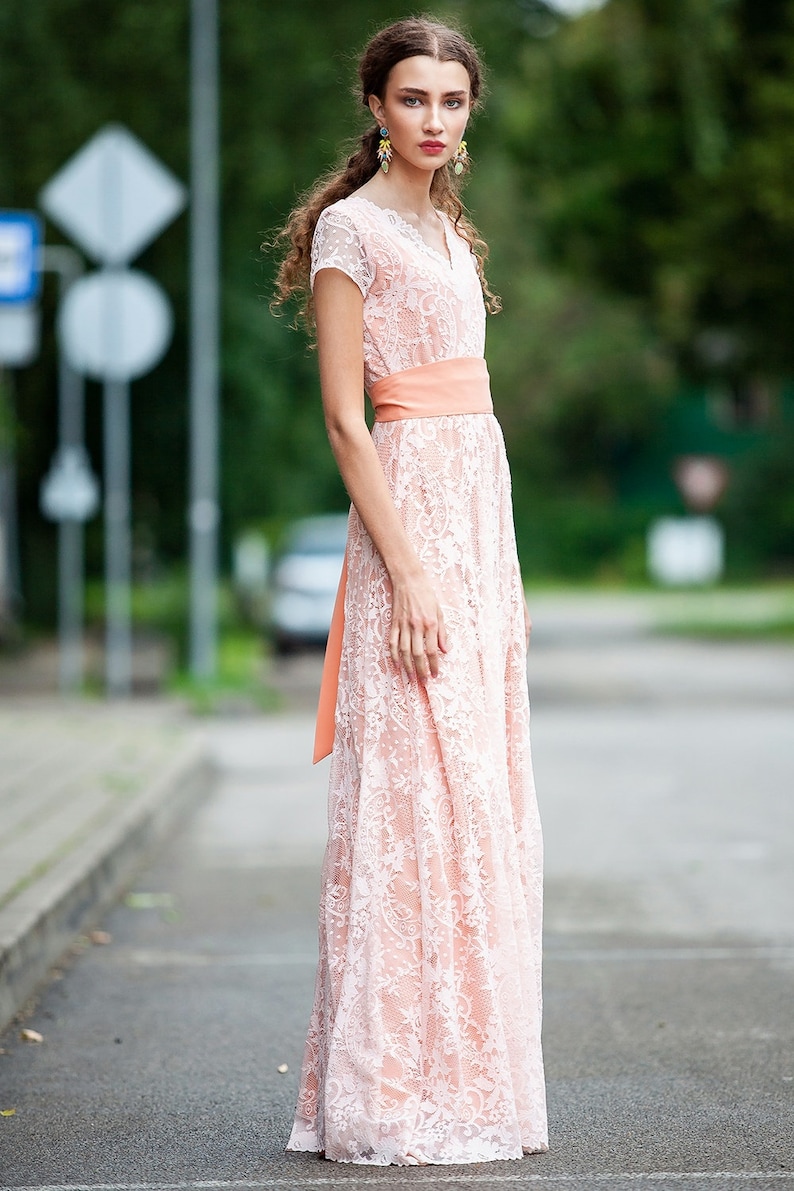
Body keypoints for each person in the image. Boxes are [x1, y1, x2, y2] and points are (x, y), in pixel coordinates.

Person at [271, 16, 548, 1167]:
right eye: (413, 99)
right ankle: (390, 1094)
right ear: (375, 107)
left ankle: (475, 1079)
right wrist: (414, 570)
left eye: (452, 101)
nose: (434, 120)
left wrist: (476, 567)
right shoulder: (354, 230)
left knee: (480, 805)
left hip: (480, 524)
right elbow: (347, 418)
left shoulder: (448, 230)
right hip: (411, 533)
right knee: (415, 807)